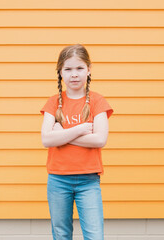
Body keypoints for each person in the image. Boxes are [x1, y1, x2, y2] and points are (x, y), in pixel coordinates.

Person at [40, 44, 114, 240]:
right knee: (61, 234)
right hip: (58, 179)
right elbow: (46, 139)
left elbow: (100, 139)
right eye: (68, 69)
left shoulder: (97, 101)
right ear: (60, 72)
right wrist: (80, 130)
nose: (74, 74)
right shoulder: (53, 102)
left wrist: (62, 134)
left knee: (94, 235)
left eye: (79, 68)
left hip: (88, 181)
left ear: (89, 70)